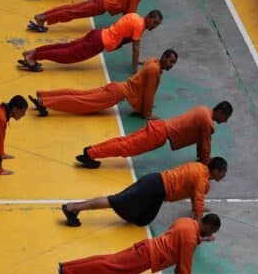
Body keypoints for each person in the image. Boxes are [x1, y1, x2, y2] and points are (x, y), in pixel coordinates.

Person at [58, 213, 220, 274]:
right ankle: (68, 272)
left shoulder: (186, 222)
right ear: (209, 226)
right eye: (212, 231)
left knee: (107, 260)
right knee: (110, 268)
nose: (211, 234)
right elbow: (184, 264)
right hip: (147, 257)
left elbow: (178, 246)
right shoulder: (190, 239)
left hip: (146, 247)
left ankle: (67, 268)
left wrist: (200, 241)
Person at [62, 157, 228, 228]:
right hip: (154, 188)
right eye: (224, 172)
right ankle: (73, 208)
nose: (224, 176)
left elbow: (196, 196)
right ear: (217, 171)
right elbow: (198, 203)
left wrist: (199, 209)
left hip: (157, 188)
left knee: (143, 220)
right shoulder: (202, 179)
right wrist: (198, 230)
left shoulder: (200, 169)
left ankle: (75, 208)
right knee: (114, 201)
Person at [78, 101, 232, 168]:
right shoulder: (207, 122)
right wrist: (205, 165)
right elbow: (205, 145)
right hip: (159, 134)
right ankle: (91, 153)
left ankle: (91, 150)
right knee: (126, 147)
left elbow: (201, 141)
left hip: (159, 127)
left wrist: (201, 157)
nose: (224, 122)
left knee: (124, 141)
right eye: (225, 117)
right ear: (220, 112)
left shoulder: (203, 110)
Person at [29, 49, 176, 118]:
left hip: (116, 87)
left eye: (173, 63)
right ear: (163, 57)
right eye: (170, 61)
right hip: (117, 93)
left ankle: (44, 95)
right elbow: (149, 95)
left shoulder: (153, 62)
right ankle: (45, 102)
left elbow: (149, 60)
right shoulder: (154, 71)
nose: (171, 65)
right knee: (80, 102)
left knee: (80, 95)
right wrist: (147, 114)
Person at [17, 9, 162, 73]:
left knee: (66, 47)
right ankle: (33, 57)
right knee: (66, 56)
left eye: (157, 25)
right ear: (149, 17)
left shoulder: (134, 16)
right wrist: (135, 69)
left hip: (98, 34)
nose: (154, 27)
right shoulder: (140, 26)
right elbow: (135, 48)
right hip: (99, 43)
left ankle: (33, 52)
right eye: (154, 23)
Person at [27, 0, 160, 32]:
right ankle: (43, 18)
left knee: (73, 9)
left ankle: (43, 16)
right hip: (103, 5)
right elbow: (130, 15)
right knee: (73, 12)